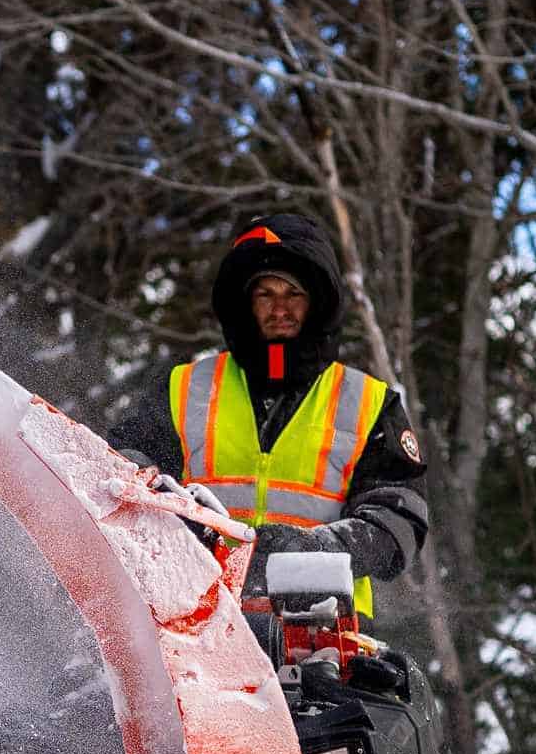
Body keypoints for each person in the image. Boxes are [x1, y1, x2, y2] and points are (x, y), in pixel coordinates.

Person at [109, 212, 430, 605]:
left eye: (293, 294)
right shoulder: (184, 387)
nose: (280, 308)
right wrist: (172, 517)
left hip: (323, 625)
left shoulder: (370, 402)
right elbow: (122, 471)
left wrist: (316, 549)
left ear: (317, 302)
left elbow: (400, 520)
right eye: (265, 294)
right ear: (246, 304)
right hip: (193, 614)